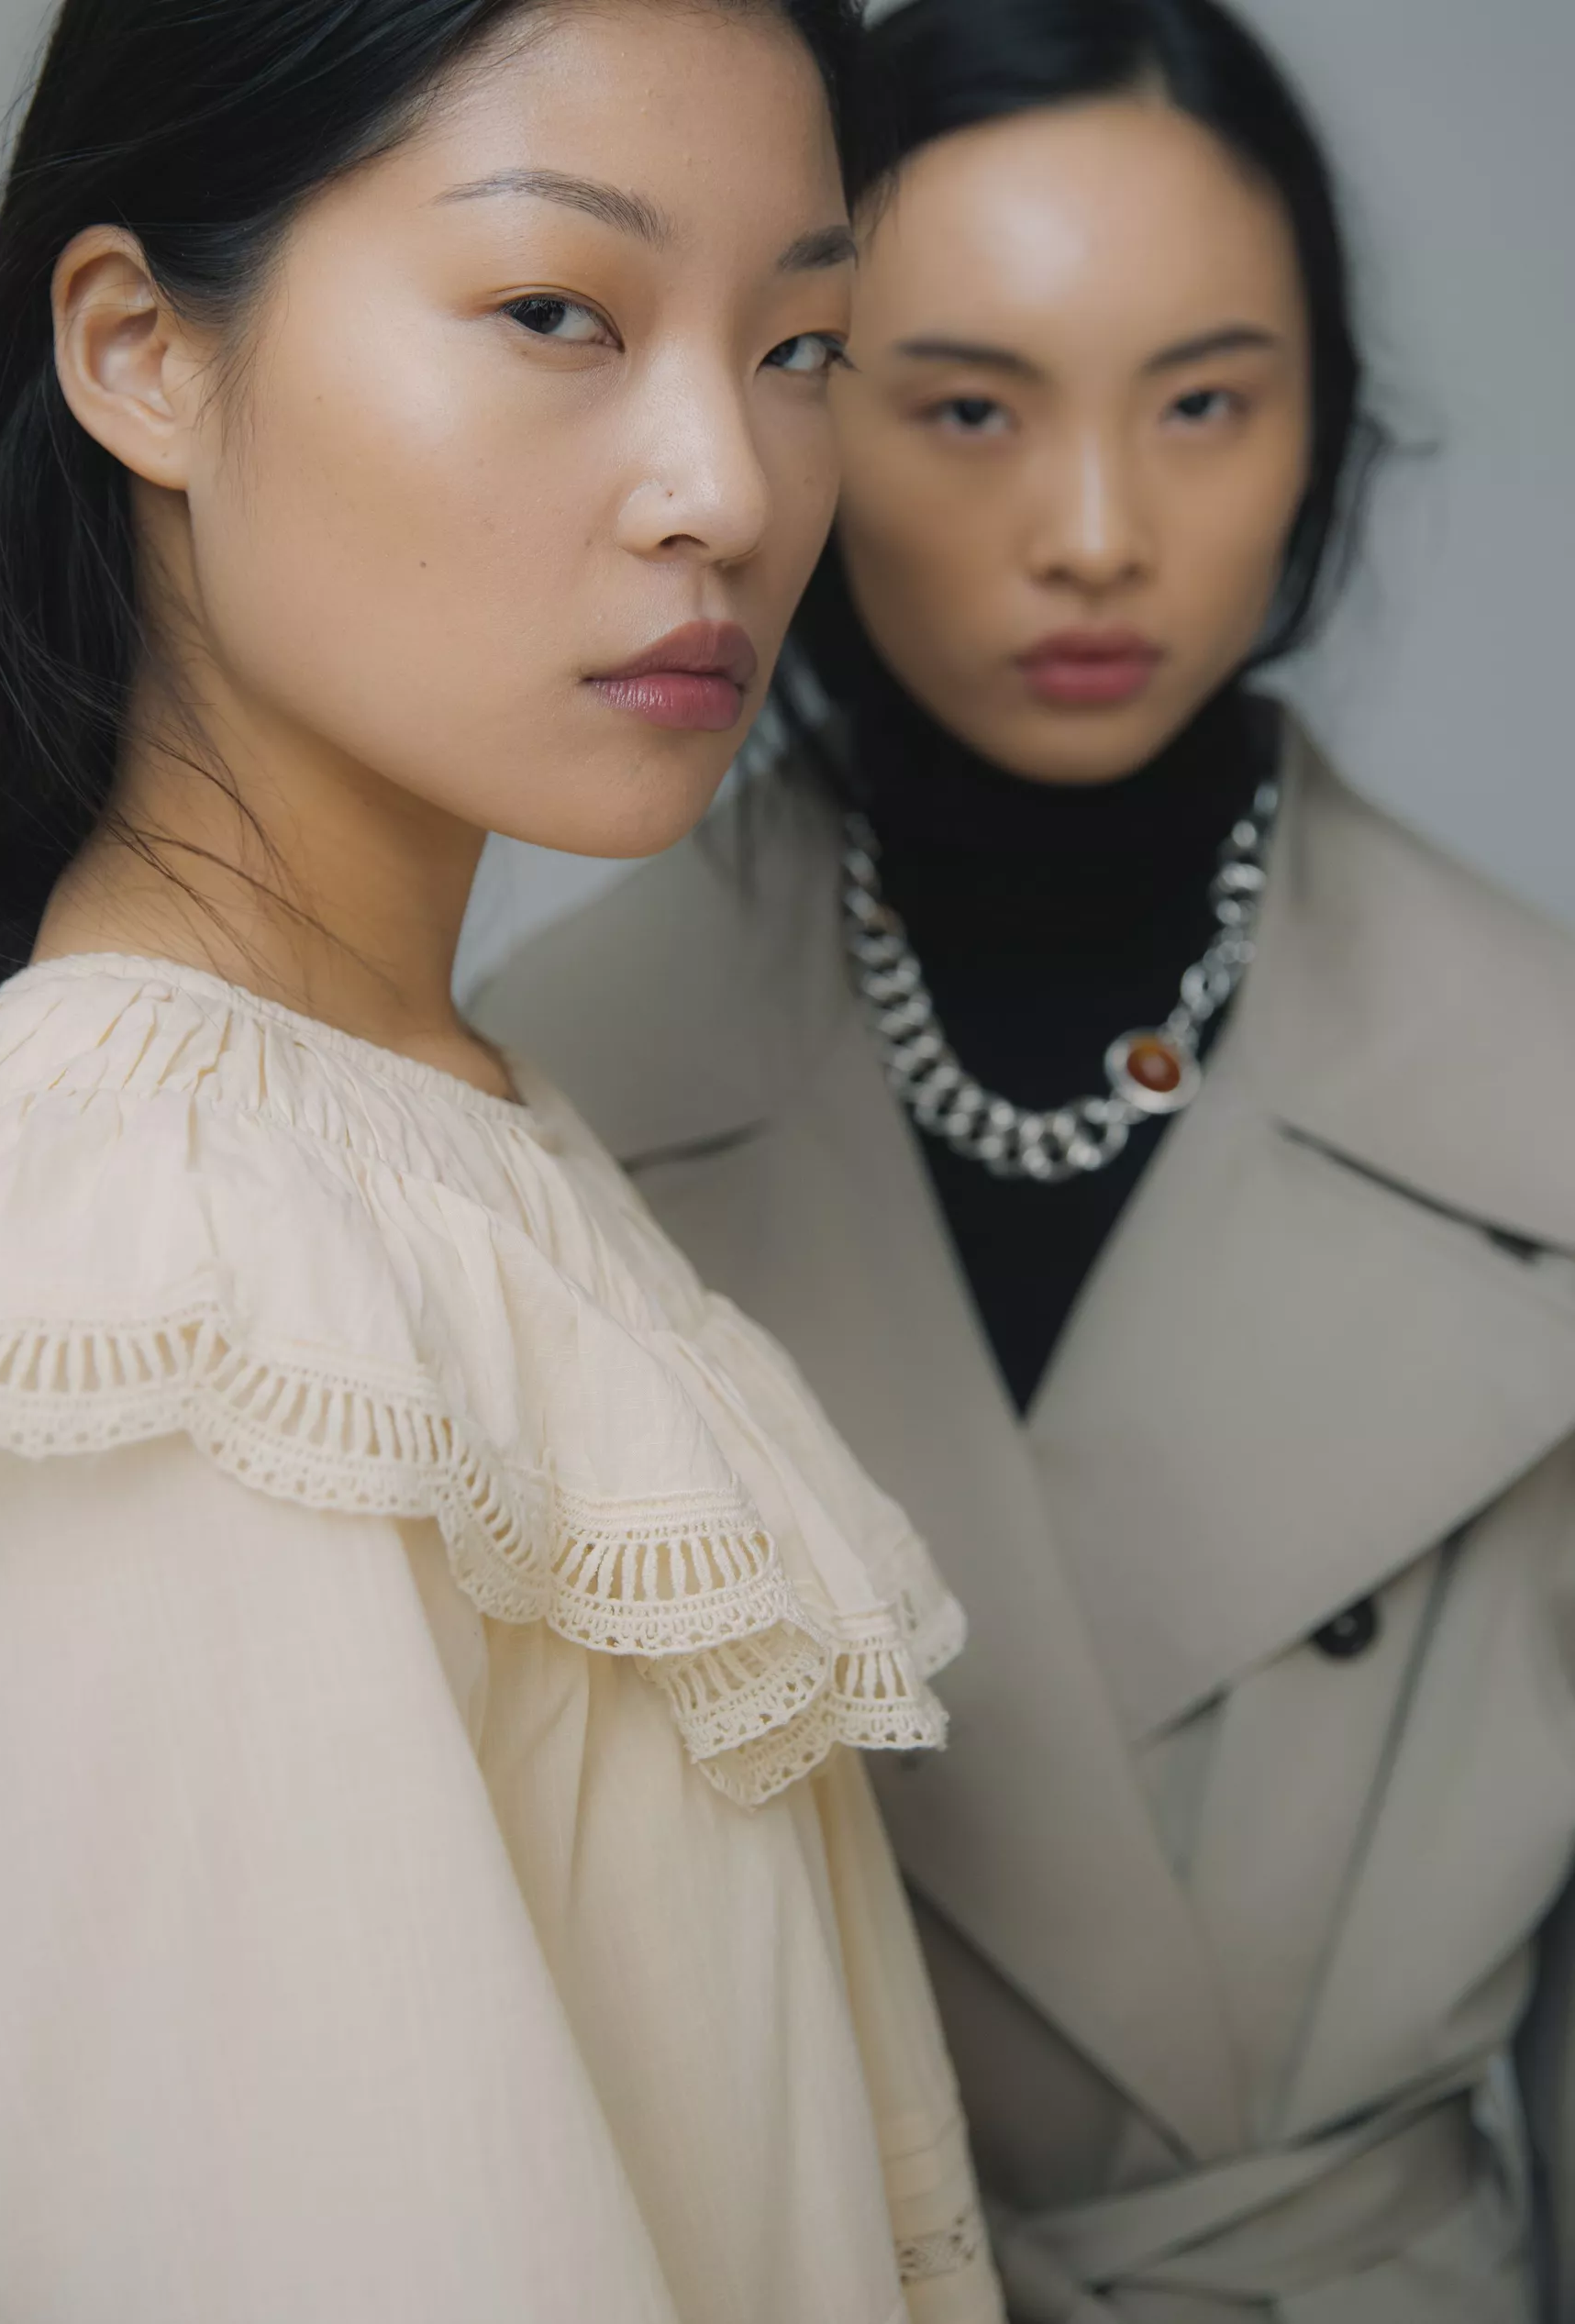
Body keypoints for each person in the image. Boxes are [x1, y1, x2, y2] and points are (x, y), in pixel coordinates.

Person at [0, 2, 1009, 2317]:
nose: (730, 489)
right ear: (143, 351)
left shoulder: (413, 1130)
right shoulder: (169, 1275)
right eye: (558, 310)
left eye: (800, 345)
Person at [478, 0, 1575, 2316]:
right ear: (792, 413)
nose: (1092, 533)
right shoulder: (517, 1129)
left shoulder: (1543, 1107)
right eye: (965, 405)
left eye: (1202, 402)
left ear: (1321, 433)